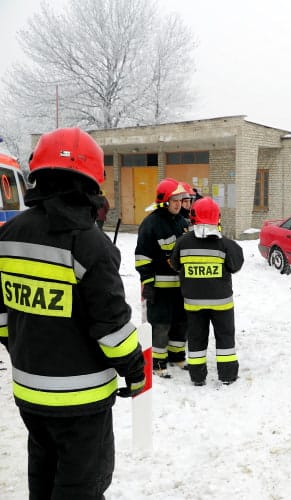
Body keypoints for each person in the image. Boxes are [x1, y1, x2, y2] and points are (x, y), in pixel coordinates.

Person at [0, 127, 145, 498]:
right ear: (90, 182)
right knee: (82, 486)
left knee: (43, 476)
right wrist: (134, 368)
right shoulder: (89, 244)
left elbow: (3, 315)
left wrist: (19, 347)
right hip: (81, 403)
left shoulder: (9, 234)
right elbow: (111, 328)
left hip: (29, 393)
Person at [170, 197, 244, 385]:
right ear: (217, 219)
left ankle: (197, 377)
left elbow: (175, 265)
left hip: (193, 304)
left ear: (193, 218)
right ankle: (227, 376)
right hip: (222, 304)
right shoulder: (226, 245)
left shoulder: (182, 242)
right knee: (225, 339)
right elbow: (236, 265)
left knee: (196, 339)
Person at [135, 177, 189, 378]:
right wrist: (147, 282)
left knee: (180, 322)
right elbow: (142, 257)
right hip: (159, 287)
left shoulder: (183, 222)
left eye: (180, 200)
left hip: (180, 287)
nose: (178, 204)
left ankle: (177, 356)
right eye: (174, 200)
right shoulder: (150, 224)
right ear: (164, 201)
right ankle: (158, 362)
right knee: (161, 324)